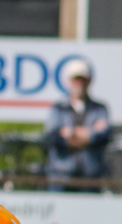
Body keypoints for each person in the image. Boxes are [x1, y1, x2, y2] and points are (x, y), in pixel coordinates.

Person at [44, 59, 111, 192]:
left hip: (90, 176)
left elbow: (104, 136)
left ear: (89, 81)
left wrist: (71, 134)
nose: (80, 84)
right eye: (76, 79)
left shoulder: (99, 109)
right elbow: (52, 137)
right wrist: (88, 134)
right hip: (61, 175)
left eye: (83, 80)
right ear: (69, 81)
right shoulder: (58, 109)